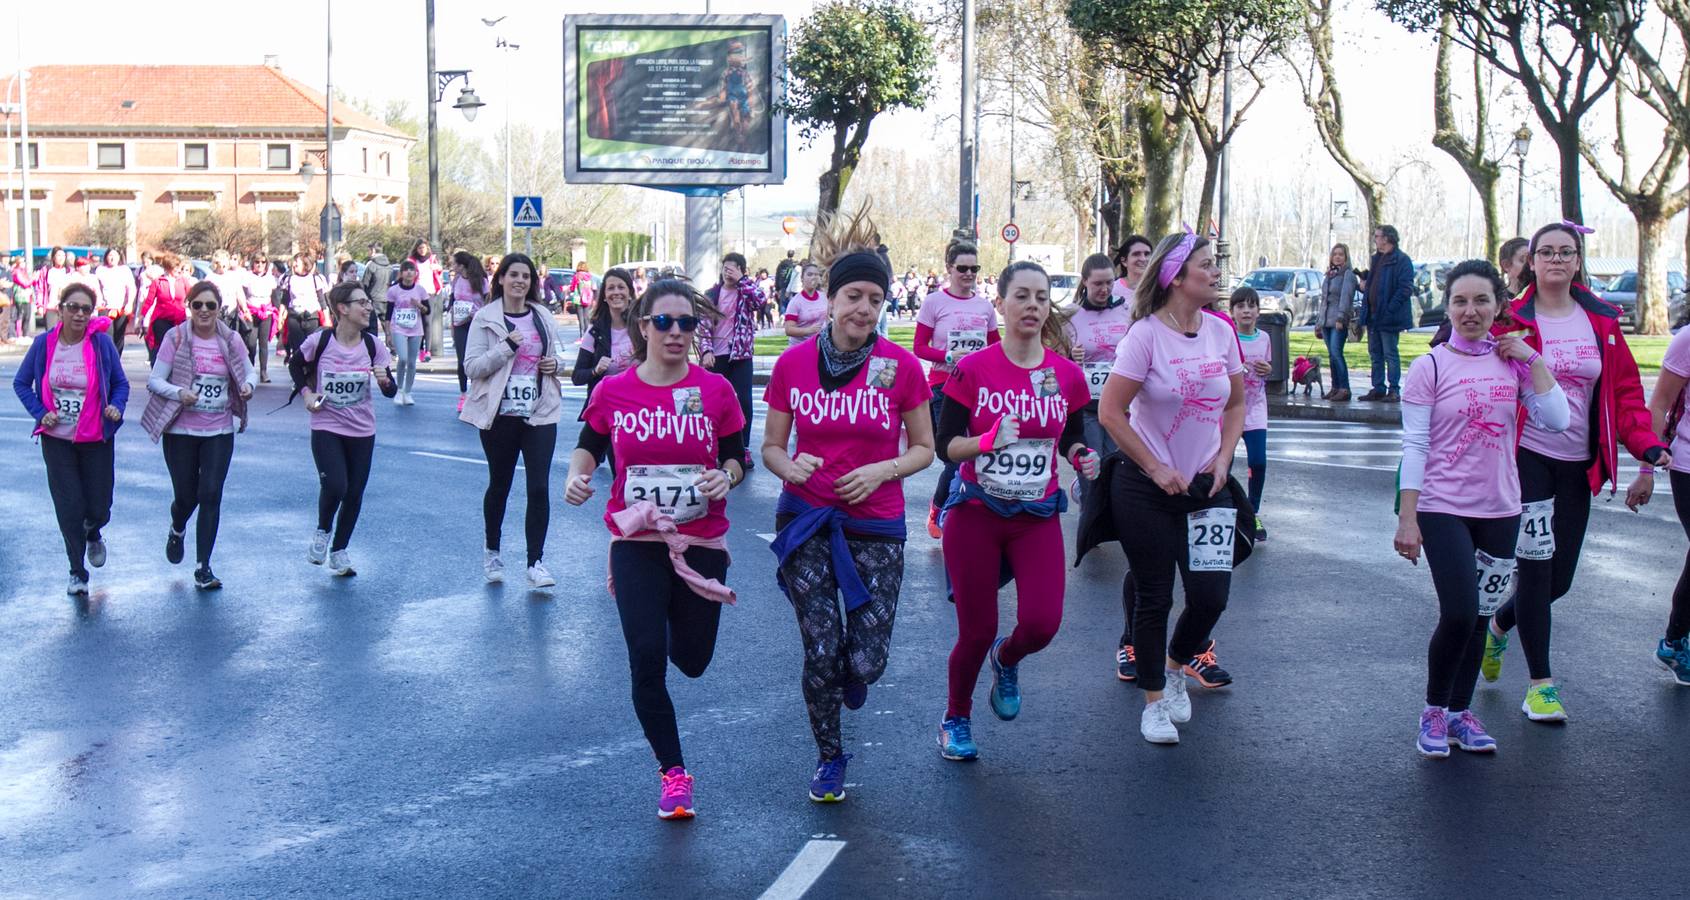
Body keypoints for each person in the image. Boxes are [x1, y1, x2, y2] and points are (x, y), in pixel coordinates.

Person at [761, 208, 935, 801]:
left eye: (875, 297)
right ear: (830, 299)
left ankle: (850, 675)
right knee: (819, 647)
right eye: (853, 295)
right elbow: (771, 449)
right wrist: (792, 466)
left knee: (865, 661)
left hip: (877, 523)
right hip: (806, 518)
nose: (864, 308)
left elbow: (925, 449)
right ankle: (829, 757)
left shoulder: (901, 366)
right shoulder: (792, 364)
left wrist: (882, 468)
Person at [563, 278, 745, 820]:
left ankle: (668, 619)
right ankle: (673, 774)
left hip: (700, 541)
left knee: (691, 661)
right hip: (635, 538)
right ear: (643, 326)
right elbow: (588, 447)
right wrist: (578, 477)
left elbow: (736, 456)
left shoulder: (715, 391)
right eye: (663, 322)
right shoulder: (614, 389)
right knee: (645, 660)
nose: (675, 332)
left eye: (686, 323)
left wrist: (726, 477)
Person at [1479, 222, 1667, 722]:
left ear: (1578, 261)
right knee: (1537, 569)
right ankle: (1540, 685)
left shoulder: (1601, 322)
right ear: (1530, 262)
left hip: (1579, 463)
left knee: (1559, 579)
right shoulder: (1510, 319)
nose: (1556, 259)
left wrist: (1646, 447)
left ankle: (1498, 624)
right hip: (1527, 457)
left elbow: (1626, 395)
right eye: (1546, 252)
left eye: (1567, 252)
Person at [1394, 259, 1568, 758]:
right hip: (1443, 506)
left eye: (1481, 301)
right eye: (1459, 302)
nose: (1470, 311)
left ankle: (1459, 714)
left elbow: (1556, 419)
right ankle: (1433, 709)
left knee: (1480, 616)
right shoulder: (1429, 367)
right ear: (1447, 309)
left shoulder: (1511, 362)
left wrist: (1533, 360)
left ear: (1499, 306)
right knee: (1460, 611)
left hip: (1502, 507)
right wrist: (1409, 517)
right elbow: (1415, 445)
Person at [930, 260, 1095, 761]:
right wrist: (985, 441)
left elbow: (1071, 432)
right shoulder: (974, 369)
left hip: (1036, 516)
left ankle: (1008, 658)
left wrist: (1078, 454)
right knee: (975, 629)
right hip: (977, 513)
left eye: (1041, 297)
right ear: (999, 303)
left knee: (1042, 624)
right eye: (1021, 296)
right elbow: (944, 446)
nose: (1032, 306)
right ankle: (955, 717)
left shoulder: (1064, 374)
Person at [1097, 232, 1245, 745]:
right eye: (1207, 264)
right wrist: (1156, 468)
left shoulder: (1222, 332)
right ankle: (1154, 702)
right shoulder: (1144, 337)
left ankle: (1177, 665)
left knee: (1211, 597)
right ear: (1176, 277)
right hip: (1146, 486)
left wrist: (1224, 457)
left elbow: (1235, 405)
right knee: (1154, 595)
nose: (1216, 271)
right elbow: (1110, 412)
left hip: (1207, 485)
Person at [12, 283, 129, 595]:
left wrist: (115, 407)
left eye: (86, 309)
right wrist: (40, 412)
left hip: (96, 438)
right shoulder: (44, 344)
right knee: (69, 507)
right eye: (73, 307)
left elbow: (120, 384)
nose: (79, 314)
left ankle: (93, 532)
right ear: (60, 309)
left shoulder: (101, 344)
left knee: (100, 506)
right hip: (57, 439)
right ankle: (77, 572)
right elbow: (22, 383)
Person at [139, 281, 255, 590]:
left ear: (219, 309)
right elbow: (154, 381)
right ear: (189, 307)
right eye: (197, 305)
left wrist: (248, 386)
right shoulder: (175, 337)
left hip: (218, 429)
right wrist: (179, 392)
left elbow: (249, 370)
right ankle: (177, 527)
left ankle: (203, 567)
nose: (204, 311)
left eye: (210, 306)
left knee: (211, 494)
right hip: (181, 431)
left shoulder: (230, 340)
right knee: (186, 497)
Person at [460, 253, 566, 588]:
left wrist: (555, 366)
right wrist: (505, 347)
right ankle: (492, 550)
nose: (520, 281)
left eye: (526, 276)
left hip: (539, 410)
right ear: (502, 279)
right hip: (500, 413)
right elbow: (472, 368)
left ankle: (535, 561)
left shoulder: (542, 315)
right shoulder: (485, 318)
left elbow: (556, 358)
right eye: (514, 275)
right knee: (501, 484)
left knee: (538, 487)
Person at [293, 282, 396, 577]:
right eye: (361, 302)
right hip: (327, 424)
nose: (367, 308)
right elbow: (295, 366)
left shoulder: (372, 345)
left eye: (367, 302)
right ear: (342, 309)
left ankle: (339, 550)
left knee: (354, 493)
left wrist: (386, 382)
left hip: (362, 429)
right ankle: (323, 532)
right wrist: (307, 394)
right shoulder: (321, 341)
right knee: (336, 485)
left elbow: (390, 390)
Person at [914, 241, 999, 539]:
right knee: (954, 456)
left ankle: (958, 512)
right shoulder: (934, 302)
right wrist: (949, 357)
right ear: (949, 268)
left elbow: (995, 347)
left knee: (971, 454)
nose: (968, 274)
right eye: (962, 268)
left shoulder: (984, 306)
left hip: (977, 390)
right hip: (943, 386)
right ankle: (940, 508)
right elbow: (919, 346)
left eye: (974, 268)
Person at [1649, 324, 1690, 685]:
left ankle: (1676, 639)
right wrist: (1646, 466)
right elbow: (1660, 403)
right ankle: (1676, 641)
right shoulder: (1687, 339)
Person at [699, 252, 765, 470]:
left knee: (744, 401)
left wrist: (742, 281)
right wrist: (706, 351)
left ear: (741, 270)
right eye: (725, 267)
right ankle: (713, 447)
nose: (728, 272)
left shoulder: (746, 292)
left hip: (741, 355)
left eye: (733, 268)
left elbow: (760, 301)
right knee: (713, 402)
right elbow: (703, 325)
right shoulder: (712, 294)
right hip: (716, 356)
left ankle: (743, 448)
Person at [1231, 287, 1271, 539]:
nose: (1246, 311)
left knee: (1258, 461)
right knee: (1223, 463)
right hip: (1230, 408)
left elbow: (1270, 368)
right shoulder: (1227, 336)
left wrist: (1267, 368)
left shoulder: (1264, 338)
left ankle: (1252, 512)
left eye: (1251, 306)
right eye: (1240, 306)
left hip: (1256, 407)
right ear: (1232, 312)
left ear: (1258, 310)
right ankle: (1223, 509)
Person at [1359, 225, 1414, 402]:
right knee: (1375, 353)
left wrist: (1390, 309)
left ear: (1386, 238)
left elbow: (1405, 288)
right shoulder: (1377, 259)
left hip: (1388, 316)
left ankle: (1394, 389)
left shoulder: (1401, 260)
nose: (1375, 239)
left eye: (1377, 236)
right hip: (1373, 314)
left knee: (1390, 352)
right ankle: (1378, 387)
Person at [572, 267, 637, 411]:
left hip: (638, 407)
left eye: (621, 287)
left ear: (630, 294)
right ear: (604, 296)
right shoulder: (595, 331)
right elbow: (577, 377)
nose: (616, 292)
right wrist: (596, 370)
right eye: (611, 288)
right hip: (606, 408)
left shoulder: (643, 328)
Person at [384, 260, 430, 405]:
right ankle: (399, 390)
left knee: (411, 362)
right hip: (398, 328)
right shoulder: (394, 290)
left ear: (416, 273)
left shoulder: (420, 290)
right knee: (402, 359)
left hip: (416, 329)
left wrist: (419, 305)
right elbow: (388, 313)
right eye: (406, 270)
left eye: (412, 270)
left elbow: (427, 310)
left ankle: (408, 392)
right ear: (401, 273)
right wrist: (388, 333)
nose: (409, 272)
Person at [448, 251, 489, 411]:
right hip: (460, 324)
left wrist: (476, 314)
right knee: (461, 361)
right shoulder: (457, 280)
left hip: (476, 323)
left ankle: (476, 393)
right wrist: (453, 323)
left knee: (476, 359)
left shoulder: (480, 280)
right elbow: (453, 302)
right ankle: (463, 394)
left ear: (462, 265)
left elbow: (487, 302)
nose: (452, 267)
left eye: (454, 264)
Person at [1317, 243, 1358, 401]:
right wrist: (1319, 323)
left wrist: (1341, 318)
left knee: (1336, 353)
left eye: (1341, 254)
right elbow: (1323, 300)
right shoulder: (1329, 274)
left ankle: (1344, 388)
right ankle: (1335, 387)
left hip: (1338, 321)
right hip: (1326, 321)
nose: (1338, 257)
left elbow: (1346, 298)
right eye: (1335, 254)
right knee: (1331, 355)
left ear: (1346, 257)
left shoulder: (1347, 275)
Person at [138, 253, 190, 367]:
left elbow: (192, 297)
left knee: (179, 349)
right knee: (165, 347)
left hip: (179, 320)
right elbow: (149, 301)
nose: (178, 270)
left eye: (179, 268)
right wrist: (141, 317)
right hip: (161, 320)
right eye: (176, 268)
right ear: (168, 267)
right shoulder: (158, 281)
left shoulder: (183, 281)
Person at [278, 251, 329, 363]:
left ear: (305, 264)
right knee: (297, 348)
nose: (294, 264)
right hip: (294, 317)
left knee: (312, 347)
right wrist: (280, 318)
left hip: (311, 316)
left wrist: (327, 319)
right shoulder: (289, 279)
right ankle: (299, 373)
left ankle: (311, 374)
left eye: (297, 262)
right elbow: (285, 301)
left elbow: (322, 301)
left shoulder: (316, 279)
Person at [92, 248, 137, 356]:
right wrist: (99, 300)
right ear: (106, 257)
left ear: (119, 257)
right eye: (110, 255)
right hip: (105, 308)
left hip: (121, 308)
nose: (112, 258)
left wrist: (129, 303)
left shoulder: (124, 270)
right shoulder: (100, 270)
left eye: (115, 255)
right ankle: (107, 359)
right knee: (107, 335)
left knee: (119, 336)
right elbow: (96, 287)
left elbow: (131, 288)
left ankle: (116, 360)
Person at [408, 239, 444, 363]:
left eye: (424, 247)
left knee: (428, 322)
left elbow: (439, 271)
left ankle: (427, 351)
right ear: (416, 249)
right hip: (417, 293)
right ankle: (420, 349)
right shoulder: (412, 261)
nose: (422, 250)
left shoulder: (432, 259)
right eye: (419, 248)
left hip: (430, 293)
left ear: (427, 248)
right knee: (418, 322)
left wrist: (438, 268)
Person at [247, 258, 280, 381]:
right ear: (253, 264)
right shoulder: (248, 277)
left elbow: (275, 297)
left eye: (262, 262)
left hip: (266, 313)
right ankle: (249, 371)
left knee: (263, 343)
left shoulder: (270, 278)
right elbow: (243, 294)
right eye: (257, 262)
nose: (259, 265)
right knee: (250, 343)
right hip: (251, 312)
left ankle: (263, 372)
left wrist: (278, 314)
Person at [783, 261, 827, 347]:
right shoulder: (795, 302)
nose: (813, 277)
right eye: (810, 274)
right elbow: (788, 330)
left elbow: (827, 319)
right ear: (802, 278)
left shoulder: (824, 297)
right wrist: (808, 330)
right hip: (800, 348)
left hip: (820, 346)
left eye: (816, 275)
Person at [34, 247, 73, 333]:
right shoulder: (46, 271)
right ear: (53, 257)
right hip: (50, 307)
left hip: (65, 307)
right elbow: (40, 289)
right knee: (51, 333)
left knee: (65, 334)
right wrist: (39, 305)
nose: (61, 258)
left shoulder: (69, 272)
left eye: (63, 255)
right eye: (58, 255)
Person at [1112, 235, 1153, 305]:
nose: (1143, 259)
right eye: (1136, 254)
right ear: (1124, 261)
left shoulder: (1158, 289)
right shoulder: (1112, 290)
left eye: (1146, 254)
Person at [361, 243, 393, 328]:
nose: (368, 253)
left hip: (374, 299)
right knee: (387, 325)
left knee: (372, 325)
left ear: (373, 251)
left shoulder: (371, 265)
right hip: (387, 298)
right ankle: (389, 340)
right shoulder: (389, 266)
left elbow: (365, 283)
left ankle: (373, 341)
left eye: (369, 250)